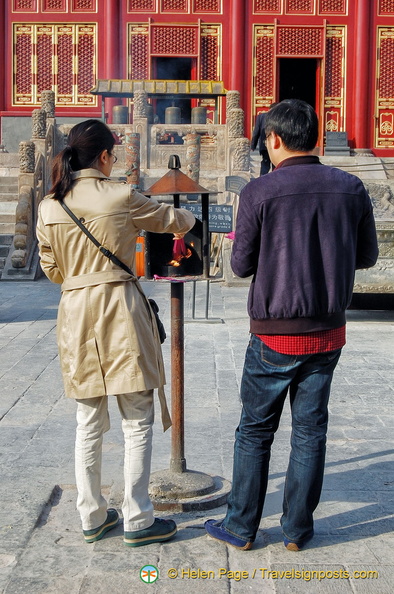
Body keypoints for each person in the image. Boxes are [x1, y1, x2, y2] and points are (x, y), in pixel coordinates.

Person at [205, 99, 378, 552]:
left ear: (274, 139)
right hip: (327, 330)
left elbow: (241, 266)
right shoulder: (352, 187)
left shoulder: (259, 192)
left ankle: (242, 527)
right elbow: (367, 257)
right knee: (309, 430)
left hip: (273, 332)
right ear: (314, 137)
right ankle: (297, 531)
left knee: (256, 430)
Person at [36, 119, 195, 547]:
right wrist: (191, 215)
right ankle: (138, 519)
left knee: (88, 421)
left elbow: (51, 268)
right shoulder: (121, 195)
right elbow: (169, 219)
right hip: (120, 310)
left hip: (74, 313)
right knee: (136, 420)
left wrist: (78, 277)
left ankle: (92, 515)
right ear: (105, 156)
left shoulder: (49, 207)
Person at [251, 111, 271, 175]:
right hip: (277, 146)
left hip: (265, 144)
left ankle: (262, 181)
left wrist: (253, 145)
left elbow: (256, 132)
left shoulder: (261, 116)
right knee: (276, 165)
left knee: (265, 163)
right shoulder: (280, 116)